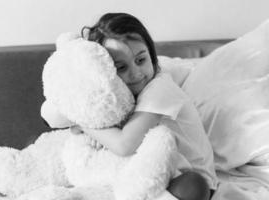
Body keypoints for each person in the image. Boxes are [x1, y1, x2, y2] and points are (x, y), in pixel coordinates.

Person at [70, 13, 217, 200]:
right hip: (148, 174)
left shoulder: (160, 89)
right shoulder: (119, 97)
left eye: (141, 60)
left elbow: (125, 145)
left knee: (193, 185)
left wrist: (84, 125)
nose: (136, 73)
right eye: (121, 68)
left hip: (184, 179)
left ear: (151, 54)